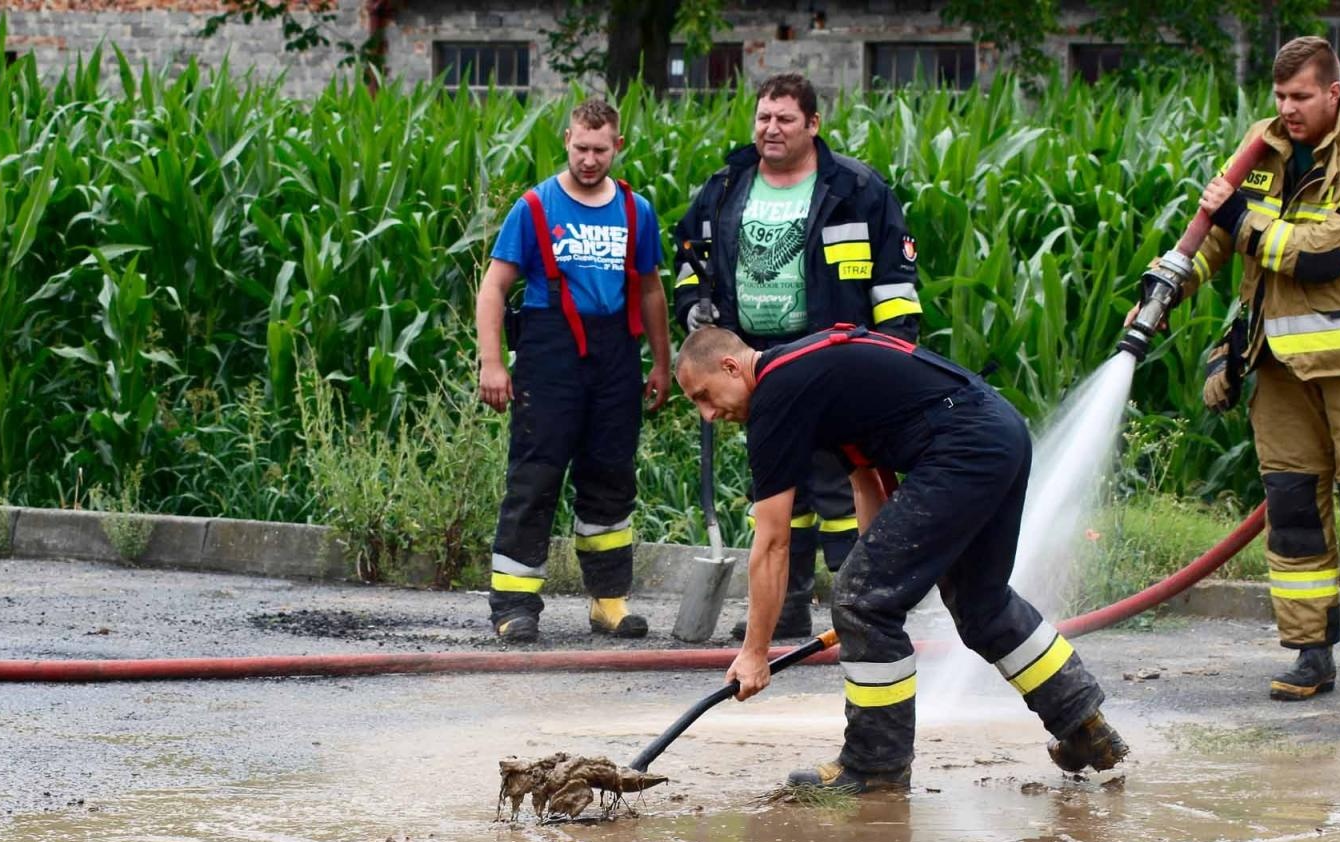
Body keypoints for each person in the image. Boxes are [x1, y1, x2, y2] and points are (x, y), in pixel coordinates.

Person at [674, 324, 1129, 792]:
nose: (708, 414)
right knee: (981, 604)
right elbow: (867, 484)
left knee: (861, 599)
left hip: (964, 445)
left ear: (731, 366)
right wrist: (883, 585)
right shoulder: (805, 375)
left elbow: (772, 543)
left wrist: (755, 654)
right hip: (999, 432)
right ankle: (1084, 726)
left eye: (703, 396)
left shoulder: (776, 394)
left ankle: (875, 765)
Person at [1180, 36, 1340, 699]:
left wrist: (1240, 220)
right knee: (1293, 511)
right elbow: (1213, 237)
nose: (1288, 109)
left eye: (1301, 97)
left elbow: (1326, 256)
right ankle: (1309, 653)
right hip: (1279, 369)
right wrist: (1166, 282)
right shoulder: (1259, 153)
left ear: (1334, 94)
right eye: (1280, 96)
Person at [673, 72, 921, 641]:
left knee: (844, 479)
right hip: (752, 361)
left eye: (785, 118)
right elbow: (690, 261)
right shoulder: (726, 186)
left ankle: (859, 608)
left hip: (834, 358)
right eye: (763, 117)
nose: (771, 128)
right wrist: (696, 310)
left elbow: (894, 283)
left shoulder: (858, 190)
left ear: (813, 124)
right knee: (780, 485)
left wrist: (895, 355)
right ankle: (785, 607)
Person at [475, 98, 673, 643]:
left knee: (611, 478)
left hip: (615, 358)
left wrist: (662, 362)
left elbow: (651, 289)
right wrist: (492, 363)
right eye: (581, 148)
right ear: (566, 140)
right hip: (550, 355)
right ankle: (514, 608)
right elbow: (494, 287)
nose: (589, 160)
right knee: (535, 479)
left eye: (600, 149)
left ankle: (609, 602)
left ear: (618, 147)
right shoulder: (535, 207)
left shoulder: (637, 211)